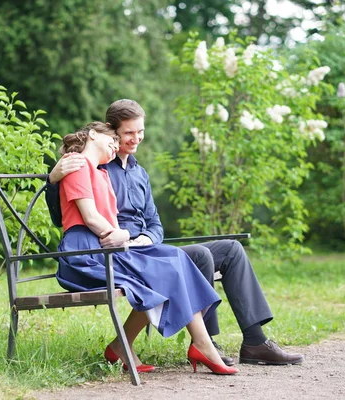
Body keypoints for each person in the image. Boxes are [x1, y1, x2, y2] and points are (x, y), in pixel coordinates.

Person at [46, 100, 304, 366]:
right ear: (111, 132)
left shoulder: (139, 173)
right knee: (200, 255)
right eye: (128, 133)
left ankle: (255, 341)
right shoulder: (99, 166)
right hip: (119, 251)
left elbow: (155, 223)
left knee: (231, 249)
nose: (136, 139)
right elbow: (65, 215)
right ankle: (206, 342)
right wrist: (52, 180)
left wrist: (145, 238)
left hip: (145, 247)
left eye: (140, 132)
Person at [55, 121, 238, 375]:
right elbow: (90, 218)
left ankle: (199, 342)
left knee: (174, 258)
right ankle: (201, 344)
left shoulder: (102, 173)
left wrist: (124, 236)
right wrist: (117, 236)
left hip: (106, 247)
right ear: (94, 134)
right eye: (113, 140)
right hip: (86, 254)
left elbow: (113, 219)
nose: (116, 146)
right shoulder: (77, 165)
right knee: (163, 270)